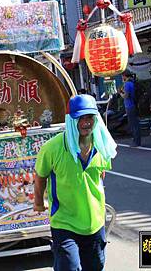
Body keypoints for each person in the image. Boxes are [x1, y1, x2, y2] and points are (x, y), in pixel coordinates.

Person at [34, 94, 117, 271]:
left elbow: (100, 176)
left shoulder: (102, 145)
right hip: (64, 221)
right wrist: (39, 202)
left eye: (90, 117)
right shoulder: (52, 148)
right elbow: (40, 176)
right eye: (80, 118)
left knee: (95, 267)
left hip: (94, 221)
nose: (86, 122)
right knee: (68, 268)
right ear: (71, 120)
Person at [119, 70, 141, 147]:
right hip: (134, 105)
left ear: (125, 76)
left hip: (130, 106)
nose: (122, 77)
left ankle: (136, 141)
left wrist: (120, 93)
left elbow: (126, 96)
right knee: (135, 123)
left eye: (122, 76)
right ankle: (137, 140)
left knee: (133, 124)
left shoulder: (127, 84)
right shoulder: (132, 83)